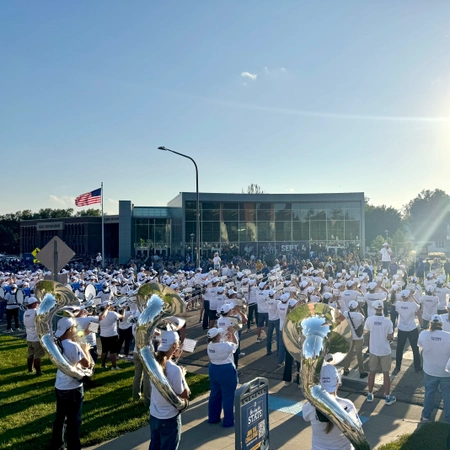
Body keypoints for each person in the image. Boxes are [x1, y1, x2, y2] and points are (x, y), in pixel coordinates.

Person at [50, 317, 92, 450]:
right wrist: (86, 349)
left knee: (60, 418)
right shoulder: (74, 346)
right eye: (74, 327)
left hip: (60, 385)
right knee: (74, 420)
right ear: (69, 330)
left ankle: (57, 444)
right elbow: (87, 364)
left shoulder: (56, 344)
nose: (75, 329)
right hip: (73, 387)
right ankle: (73, 446)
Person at [303, 362, 362, 450]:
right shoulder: (348, 405)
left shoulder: (310, 406)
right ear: (338, 381)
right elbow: (359, 433)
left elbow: (305, 417)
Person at [149, 330, 190, 450]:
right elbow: (184, 394)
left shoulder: (152, 362)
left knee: (155, 445)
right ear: (174, 345)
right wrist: (182, 376)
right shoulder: (175, 370)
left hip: (155, 414)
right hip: (169, 417)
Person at [418, 315, 450, 422]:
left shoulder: (424, 334)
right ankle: (448, 418)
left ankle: (426, 415)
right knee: (447, 396)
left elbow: (420, 345)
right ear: (442, 324)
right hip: (446, 372)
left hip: (430, 370)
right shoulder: (448, 336)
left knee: (429, 393)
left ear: (430, 323)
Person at [364, 300, 396, 405]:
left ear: (374, 308)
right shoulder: (388, 322)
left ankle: (369, 394)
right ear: (382, 308)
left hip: (373, 350)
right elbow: (390, 337)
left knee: (371, 372)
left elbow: (367, 333)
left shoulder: (369, 320)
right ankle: (387, 397)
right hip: (385, 350)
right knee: (386, 373)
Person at [206, 327, 238, 427]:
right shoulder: (225, 345)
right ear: (217, 336)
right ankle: (228, 421)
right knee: (228, 397)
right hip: (226, 370)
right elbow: (235, 345)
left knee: (215, 394)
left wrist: (227, 339)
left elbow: (222, 345)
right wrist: (232, 335)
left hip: (214, 369)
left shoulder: (210, 345)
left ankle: (213, 417)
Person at [393, 290, 422, 375]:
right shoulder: (412, 305)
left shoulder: (398, 304)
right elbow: (419, 306)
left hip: (402, 329)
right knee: (415, 348)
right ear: (408, 296)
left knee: (400, 348)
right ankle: (417, 367)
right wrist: (412, 297)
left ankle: (398, 366)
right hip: (412, 328)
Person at [342, 301, 367, 379]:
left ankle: (345, 369)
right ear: (356, 307)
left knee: (348, 353)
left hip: (349, 335)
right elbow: (364, 319)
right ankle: (361, 371)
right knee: (359, 354)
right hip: (358, 336)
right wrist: (361, 309)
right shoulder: (359, 315)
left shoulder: (345, 313)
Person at [98, 302, 124, 370]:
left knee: (104, 350)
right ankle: (114, 366)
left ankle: (103, 365)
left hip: (103, 335)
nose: (114, 307)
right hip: (112, 335)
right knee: (113, 351)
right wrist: (124, 310)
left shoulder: (100, 314)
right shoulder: (113, 313)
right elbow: (122, 317)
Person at [23, 296, 44, 375]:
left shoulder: (26, 312)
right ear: (34, 304)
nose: (38, 304)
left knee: (30, 354)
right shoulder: (36, 312)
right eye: (37, 303)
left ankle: (30, 369)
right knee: (37, 355)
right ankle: (38, 371)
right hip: (36, 337)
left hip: (29, 337)